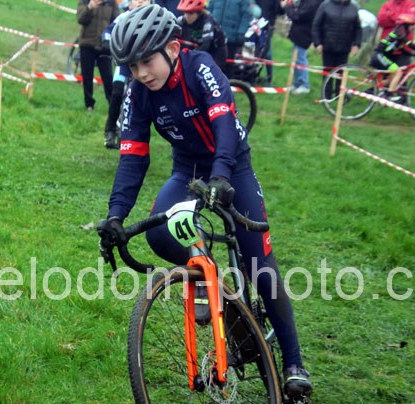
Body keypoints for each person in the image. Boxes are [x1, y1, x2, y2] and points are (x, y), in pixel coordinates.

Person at [101, 4, 313, 401]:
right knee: (160, 233)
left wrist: (222, 175)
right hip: (188, 170)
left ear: (173, 48)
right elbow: (133, 156)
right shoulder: (139, 91)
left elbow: (224, 123)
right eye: (132, 66)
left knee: (259, 264)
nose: (141, 73)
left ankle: (294, 363)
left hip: (232, 164)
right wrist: (116, 215)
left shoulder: (200, 67)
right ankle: (210, 283)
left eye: (146, 61)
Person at [103, 0, 153, 149]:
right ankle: (110, 129)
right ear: (129, 4)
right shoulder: (123, 17)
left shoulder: (154, 20)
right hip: (125, 64)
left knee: (137, 99)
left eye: (144, 0)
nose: (140, 2)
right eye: (136, 0)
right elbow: (107, 31)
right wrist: (107, 42)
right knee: (117, 93)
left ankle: (130, 134)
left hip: (145, 65)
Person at [369, 13, 415, 103]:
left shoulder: (400, 34)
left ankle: (369, 91)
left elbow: (404, 49)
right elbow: (408, 45)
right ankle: (388, 95)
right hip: (379, 56)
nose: (413, 27)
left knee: (391, 79)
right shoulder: (398, 34)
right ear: (405, 25)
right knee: (398, 72)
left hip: (381, 56)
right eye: (412, 25)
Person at [312, 0, 362, 99]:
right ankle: (326, 97)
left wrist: (357, 44)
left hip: (344, 48)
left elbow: (358, 28)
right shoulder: (325, 5)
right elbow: (316, 25)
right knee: (328, 73)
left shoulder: (353, 8)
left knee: (341, 73)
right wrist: (317, 43)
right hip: (328, 46)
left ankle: (339, 96)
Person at [77, 0, 119, 112]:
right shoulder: (85, 1)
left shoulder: (111, 2)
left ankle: (112, 105)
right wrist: (89, 7)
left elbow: (117, 22)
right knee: (87, 76)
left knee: (108, 76)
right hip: (87, 43)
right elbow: (80, 19)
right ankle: (89, 104)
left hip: (104, 45)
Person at [280, 0, 322, 95]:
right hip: (299, 33)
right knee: (296, 59)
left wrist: (287, 6)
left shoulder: (312, 3)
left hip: (304, 34)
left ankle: (304, 84)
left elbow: (297, 15)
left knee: (300, 59)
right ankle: (297, 83)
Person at [207, 0, 255, 78]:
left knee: (227, 65)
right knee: (211, 62)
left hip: (231, 38)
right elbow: (209, 11)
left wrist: (241, 32)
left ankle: (227, 82)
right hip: (214, 36)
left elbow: (246, 16)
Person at [176, 0, 228, 71]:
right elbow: (173, 24)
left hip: (216, 51)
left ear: (199, 13)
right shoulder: (184, 19)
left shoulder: (207, 21)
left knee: (207, 71)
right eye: (185, 12)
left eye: (190, 13)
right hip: (199, 45)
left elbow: (205, 46)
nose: (187, 16)